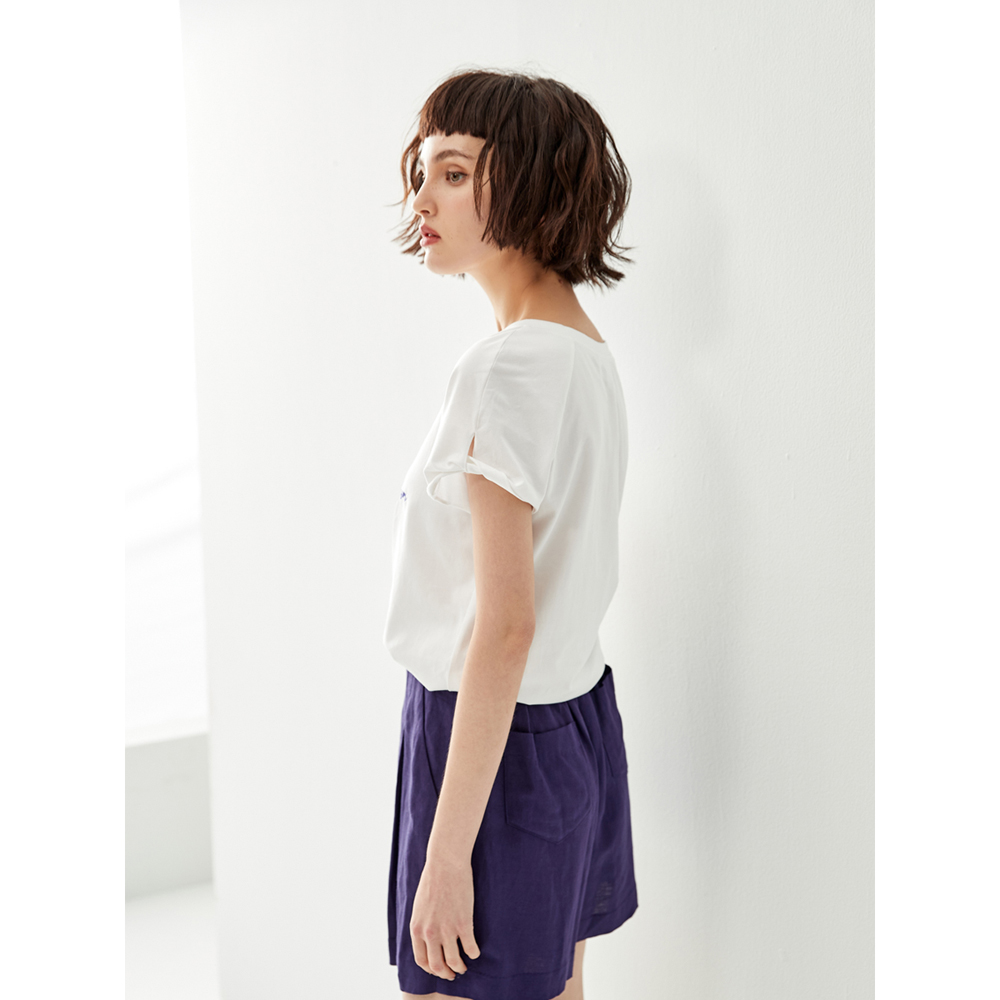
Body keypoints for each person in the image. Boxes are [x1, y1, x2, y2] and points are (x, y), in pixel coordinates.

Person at [383, 68, 637, 1000]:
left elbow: (505, 625)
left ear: (530, 185)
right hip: (571, 722)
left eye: (454, 173)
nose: (423, 199)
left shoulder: (507, 369)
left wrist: (448, 855)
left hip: (488, 738)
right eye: (423, 171)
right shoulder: (584, 355)